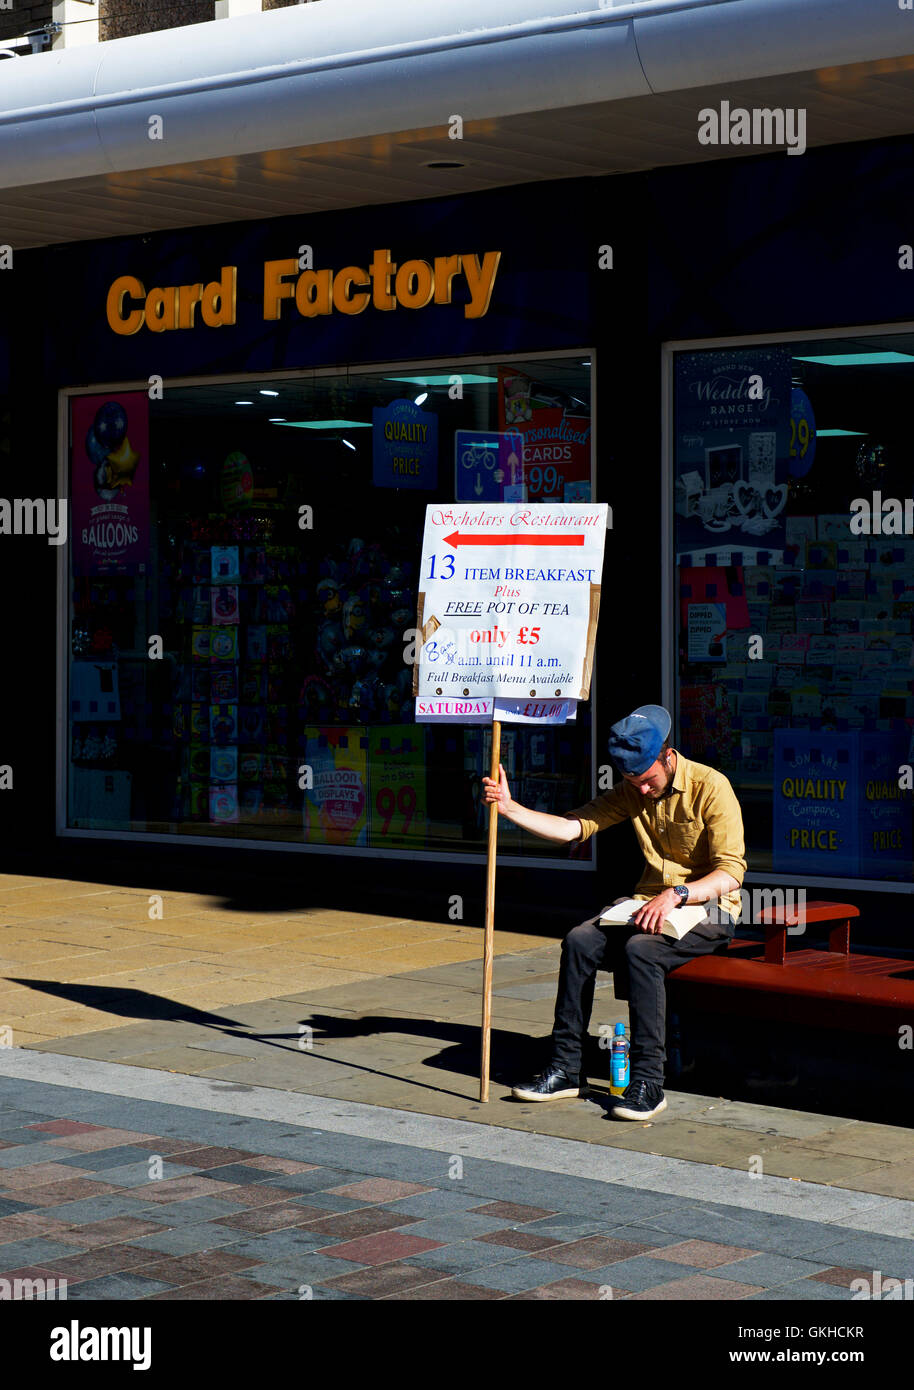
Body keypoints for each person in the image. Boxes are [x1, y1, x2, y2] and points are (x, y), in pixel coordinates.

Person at [481, 704, 746, 1120]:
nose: (641, 790)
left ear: (667, 755)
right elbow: (573, 827)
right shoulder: (631, 790)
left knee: (642, 950)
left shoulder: (712, 787)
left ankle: (648, 1082)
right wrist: (511, 809)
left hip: (710, 907)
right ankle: (567, 1067)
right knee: (580, 940)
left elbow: (731, 873)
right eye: (631, 781)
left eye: (647, 780)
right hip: (648, 903)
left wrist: (677, 894)